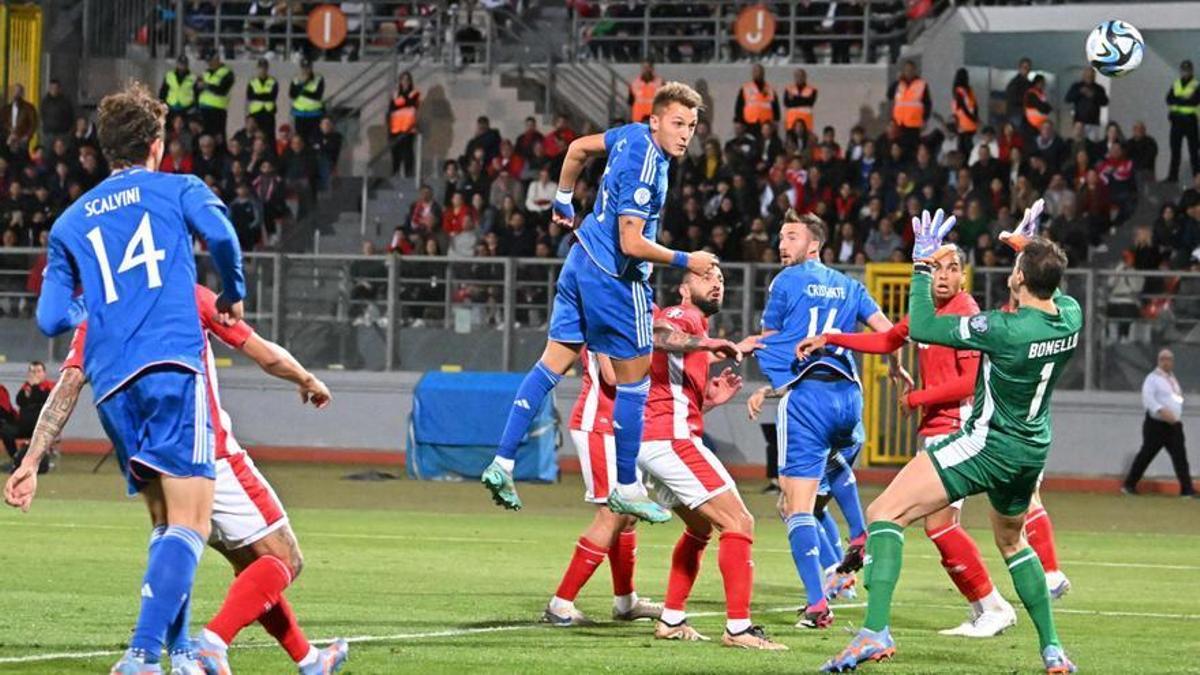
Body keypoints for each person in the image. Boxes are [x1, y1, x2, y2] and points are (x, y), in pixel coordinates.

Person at [7, 286, 349, 674]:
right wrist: (307, 379)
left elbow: (67, 387)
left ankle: (309, 660)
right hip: (211, 455)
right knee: (285, 558)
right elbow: (262, 351)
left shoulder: (101, 311)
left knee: (252, 567)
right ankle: (208, 645)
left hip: (156, 469)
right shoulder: (185, 292)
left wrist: (31, 460)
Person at [34, 81, 246, 673]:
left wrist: (94, 309)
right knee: (194, 522)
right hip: (172, 366)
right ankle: (142, 655)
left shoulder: (70, 222)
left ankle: (178, 652)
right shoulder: (179, 187)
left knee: (165, 520)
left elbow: (51, 316)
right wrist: (234, 293)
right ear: (156, 144)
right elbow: (225, 238)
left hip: (111, 384)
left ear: (105, 149)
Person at [821, 208, 1079, 674]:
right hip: (1032, 450)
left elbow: (921, 326)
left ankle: (874, 632)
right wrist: (1029, 247)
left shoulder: (1002, 329)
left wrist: (920, 264)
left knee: (884, 513)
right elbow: (1051, 286)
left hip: (986, 444)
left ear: (1017, 279)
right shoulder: (1069, 318)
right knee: (1012, 542)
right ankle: (1053, 650)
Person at [480, 82, 716, 523]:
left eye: (692, 126)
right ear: (656, 120)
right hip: (613, 278)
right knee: (636, 381)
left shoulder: (628, 134)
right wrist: (690, 259)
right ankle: (627, 486)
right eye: (678, 123)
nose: (686, 134)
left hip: (578, 258)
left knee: (551, 364)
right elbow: (631, 242)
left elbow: (576, 149)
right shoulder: (649, 167)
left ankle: (503, 461)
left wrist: (564, 199)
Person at [750, 211, 898, 630]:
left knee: (793, 507)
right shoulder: (851, 286)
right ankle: (855, 538)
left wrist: (756, 364)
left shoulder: (785, 282)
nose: (782, 244)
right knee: (827, 473)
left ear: (813, 244)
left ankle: (817, 606)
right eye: (780, 236)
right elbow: (888, 335)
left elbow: (773, 341)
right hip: (849, 397)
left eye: (791, 236)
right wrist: (899, 369)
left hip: (809, 398)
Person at [1124, 349, 1194, 496]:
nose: (1166, 362)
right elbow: (1148, 399)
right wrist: (1162, 411)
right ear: (1159, 361)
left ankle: (1187, 490)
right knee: (1146, 454)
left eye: (1169, 359)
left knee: (1180, 457)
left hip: (1173, 425)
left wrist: (1176, 411)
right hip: (1156, 425)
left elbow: (1176, 397)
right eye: (1163, 359)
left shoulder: (1172, 380)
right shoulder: (1152, 379)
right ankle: (1129, 485)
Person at [0, 362, 54, 465]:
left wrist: (34, 387)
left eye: (38, 371)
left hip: (42, 427)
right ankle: (16, 458)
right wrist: (29, 388)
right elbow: (19, 401)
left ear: (44, 373)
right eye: (33, 371)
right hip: (23, 426)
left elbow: (40, 399)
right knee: (5, 430)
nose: (35, 374)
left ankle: (40, 461)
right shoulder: (26, 387)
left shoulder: (49, 387)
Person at [888, 60, 930, 160]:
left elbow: (927, 103)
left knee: (912, 151)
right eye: (906, 70)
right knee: (899, 150)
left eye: (911, 70)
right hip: (899, 124)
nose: (908, 72)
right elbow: (889, 95)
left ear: (915, 71)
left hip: (913, 124)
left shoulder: (921, 84)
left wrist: (925, 119)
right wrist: (897, 81)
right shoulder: (899, 84)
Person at [1166, 60, 1200, 183]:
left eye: (1188, 70)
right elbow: (1168, 99)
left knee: (1194, 152)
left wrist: (1178, 99)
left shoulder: (1196, 85)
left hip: (1190, 121)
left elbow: (1194, 101)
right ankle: (1172, 177)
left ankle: (1197, 178)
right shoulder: (1176, 84)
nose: (1185, 72)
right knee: (1175, 152)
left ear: (1191, 71)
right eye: (1184, 70)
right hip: (1176, 121)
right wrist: (1183, 99)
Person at [388, 71, 420, 177]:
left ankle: (408, 174)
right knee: (395, 152)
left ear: (410, 81)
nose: (405, 82)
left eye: (407, 79)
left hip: (408, 128)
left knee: (407, 152)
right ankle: (395, 173)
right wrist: (401, 102)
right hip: (395, 128)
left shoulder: (414, 93)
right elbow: (392, 107)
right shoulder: (395, 93)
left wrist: (398, 102)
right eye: (403, 79)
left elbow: (410, 102)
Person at [197, 50, 234, 144]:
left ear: (217, 59)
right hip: (204, 109)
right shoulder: (205, 73)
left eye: (211, 60)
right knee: (205, 136)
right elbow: (197, 88)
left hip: (217, 110)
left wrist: (207, 86)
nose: (209, 63)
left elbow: (222, 89)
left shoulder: (227, 73)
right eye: (208, 61)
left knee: (218, 137)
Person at [1064, 66, 1109, 142]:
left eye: (1091, 76)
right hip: (1079, 122)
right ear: (1083, 75)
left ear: (1094, 76)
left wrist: (1094, 96)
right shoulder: (1077, 86)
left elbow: (1105, 102)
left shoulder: (1099, 88)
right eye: (1088, 76)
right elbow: (1067, 99)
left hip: (1093, 122)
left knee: (1092, 145)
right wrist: (1079, 92)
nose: (1089, 78)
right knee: (1078, 143)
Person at [734, 64, 779, 131]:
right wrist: (740, 122)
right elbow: (739, 107)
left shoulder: (770, 89)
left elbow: (776, 108)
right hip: (749, 124)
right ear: (752, 74)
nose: (758, 73)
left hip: (767, 126)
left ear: (763, 73)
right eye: (755, 71)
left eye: (760, 71)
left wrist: (776, 121)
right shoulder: (745, 88)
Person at [290, 58, 325, 145]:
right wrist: (302, 84)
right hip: (300, 114)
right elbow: (292, 94)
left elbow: (317, 95)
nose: (305, 70)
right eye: (303, 68)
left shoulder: (319, 78)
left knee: (315, 140)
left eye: (307, 67)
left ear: (311, 68)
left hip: (314, 114)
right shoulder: (296, 79)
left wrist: (302, 89)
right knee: (301, 140)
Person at [246, 58, 278, 142]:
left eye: (264, 68)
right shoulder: (252, 81)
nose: (262, 70)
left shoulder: (273, 81)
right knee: (254, 137)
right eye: (261, 67)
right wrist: (265, 95)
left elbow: (272, 96)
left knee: (269, 137)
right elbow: (250, 96)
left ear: (267, 69)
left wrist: (258, 95)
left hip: (268, 112)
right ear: (257, 68)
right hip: (255, 113)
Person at [782, 68, 817, 144]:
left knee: (807, 144)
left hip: (807, 124)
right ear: (794, 77)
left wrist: (794, 98)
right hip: (791, 124)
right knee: (790, 145)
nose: (799, 78)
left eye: (801, 76)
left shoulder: (812, 89)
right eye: (797, 76)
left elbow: (810, 102)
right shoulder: (788, 89)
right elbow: (786, 103)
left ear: (805, 77)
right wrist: (803, 100)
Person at [951, 68, 979, 158]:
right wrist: (973, 117)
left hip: (964, 122)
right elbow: (966, 107)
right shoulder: (963, 90)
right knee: (967, 147)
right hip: (967, 122)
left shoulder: (960, 90)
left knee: (963, 147)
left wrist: (973, 117)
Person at [40, 79, 75, 149]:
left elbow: (70, 116)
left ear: (59, 89)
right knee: (48, 153)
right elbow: (42, 115)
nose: (53, 90)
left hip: (63, 133)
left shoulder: (65, 101)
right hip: (49, 133)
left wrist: (68, 130)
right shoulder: (45, 101)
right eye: (52, 88)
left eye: (55, 88)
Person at [3, 84, 38, 151]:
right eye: (14, 91)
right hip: (9, 137)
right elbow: (2, 122)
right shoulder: (6, 108)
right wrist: (9, 130)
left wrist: (27, 136)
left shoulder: (29, 108)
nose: (16, 94)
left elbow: (33, 124)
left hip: (22, 138)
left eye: (19, 92)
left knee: (21, 157)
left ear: (22, 94)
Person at [1024, 75, 1052, 145]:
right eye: (1042, 83)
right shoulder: (1031, 94)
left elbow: (1048, 107)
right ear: (1037, 83)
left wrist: (1046, 107)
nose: (1043, 85)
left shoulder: (1041, 94)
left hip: (1041, 125)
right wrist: (1046, 107)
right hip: (1032, 125)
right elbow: (1042, 107)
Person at [1006, 57, 1034, 129]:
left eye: (1028, 68)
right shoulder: (1014, 83)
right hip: (1016, 114)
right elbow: (1012, 98)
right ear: (1020, 68)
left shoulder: (1029, 84)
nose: (1027, 70)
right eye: (1025, 67)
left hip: (1027, 115)